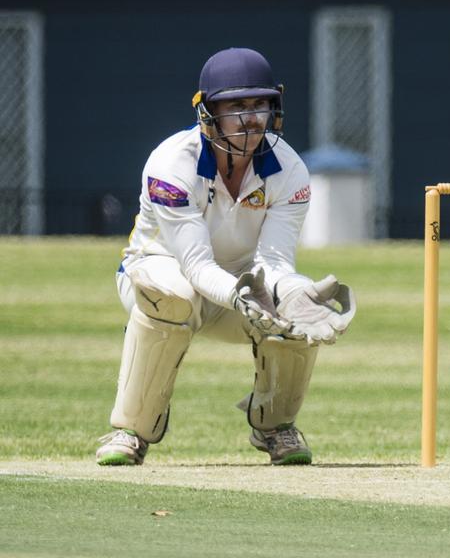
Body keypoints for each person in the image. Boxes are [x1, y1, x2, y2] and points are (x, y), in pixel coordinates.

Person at [95, 47, 356, 467]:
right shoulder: (170, 165)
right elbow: (196, 266)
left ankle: (275, 426)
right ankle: (131, 430)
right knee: (173, 293)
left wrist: (294, 294)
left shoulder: (289, 170)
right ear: (208, 111)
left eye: (260, 104)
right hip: (160, 270)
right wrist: (244, 297)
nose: (252, 117)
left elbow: (273, 263)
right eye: (237, 105)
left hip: (243, 284)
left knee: (296, 306)